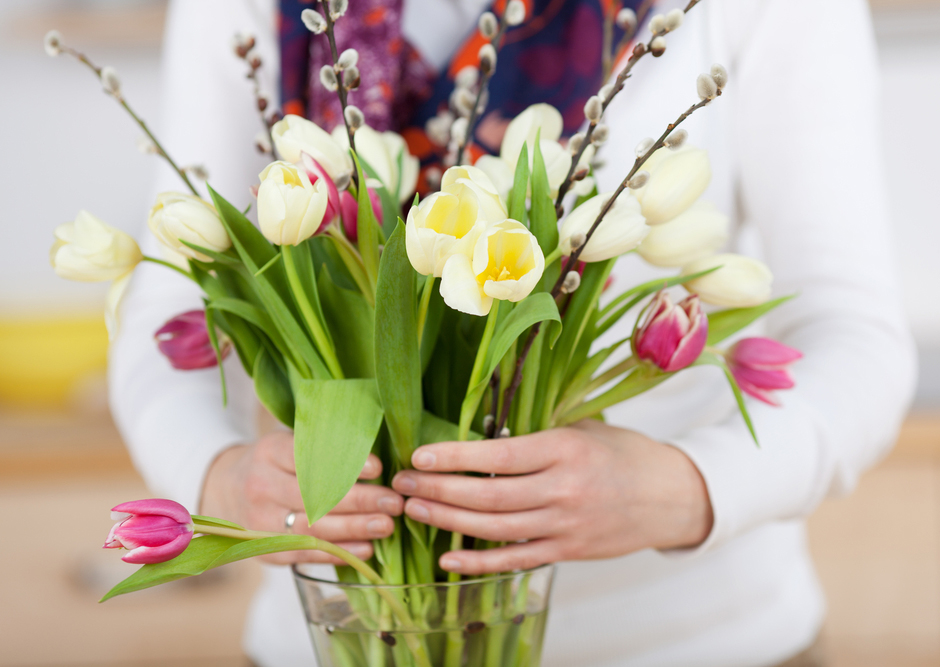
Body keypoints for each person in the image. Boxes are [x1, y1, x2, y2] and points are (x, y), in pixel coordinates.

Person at [109, 0, 917, 665]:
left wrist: (686, 486)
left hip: (701, 643)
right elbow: (169, 305)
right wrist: (217, 482)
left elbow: (855, 331)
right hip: (336, 640)